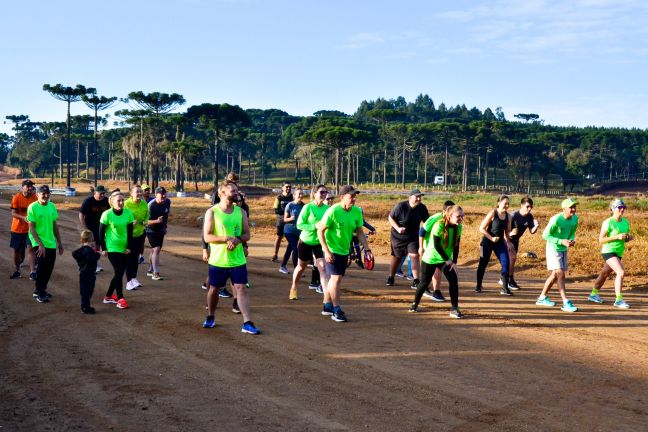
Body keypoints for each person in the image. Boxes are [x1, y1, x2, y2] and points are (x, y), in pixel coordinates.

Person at [202, 180, 260, 335]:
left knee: (240, 288)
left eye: (236, 190)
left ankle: (247, 322)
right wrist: (226, 238)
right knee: (214, 289)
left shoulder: (241, 212)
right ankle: (210, 316)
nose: (237, 193)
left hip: (237, 259)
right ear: (222, 193)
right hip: (218, 260)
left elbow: (247, 234)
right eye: (233, 191)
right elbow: (207, 237)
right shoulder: (212, 212)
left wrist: (238, 239)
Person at [318, 185, 373, 322]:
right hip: (332, 250)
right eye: (351, 196)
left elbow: (359, 231)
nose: (354, 199)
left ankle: (327, 305)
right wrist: (326, 251)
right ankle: (336, 309)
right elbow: (320, 231)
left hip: (344, 250)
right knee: (336, 279)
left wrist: (367, 249)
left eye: (355, 196)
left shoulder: (356, 212)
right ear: (342, 197)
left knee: (334, 279)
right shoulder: (333, 211)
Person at [409, 205, 465, 318]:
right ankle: (415, 303)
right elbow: (437, 246)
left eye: (462, 216)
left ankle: (454, 308)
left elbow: (456, 246)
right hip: (432, 257)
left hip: (446, 259)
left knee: (453, 280)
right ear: (450, 216)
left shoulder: (458, 227)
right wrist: (448, 260)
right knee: (425, 282)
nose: (461, 219)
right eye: (458, 216)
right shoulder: (439, 224)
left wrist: (454, 262)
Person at [535, 197, 579, 312]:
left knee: (555, 275)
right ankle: (565, 302)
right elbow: (545, 235)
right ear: (564, 209)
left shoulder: (575, 218)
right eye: (571, 207)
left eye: (574, 207)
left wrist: (571, 240)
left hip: (563, 248)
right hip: (553, 248)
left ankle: (542, 297)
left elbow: (572, 232)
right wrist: (561, 241)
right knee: (560, 273)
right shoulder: (556, 219)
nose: (573, 209)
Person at [589, 199, 632, 309]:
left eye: (623, 207)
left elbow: (624, 238)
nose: (622, 209)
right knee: (621, 272)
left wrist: (628, 238)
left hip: (618, 252)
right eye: (619, 207)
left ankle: (593, 294)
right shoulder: (608, 222)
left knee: (604, 274)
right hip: (608, 251)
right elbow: (601, 240)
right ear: (612, 210)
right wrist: (616, 237)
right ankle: (618, 300)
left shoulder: (625, 222)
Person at [290, 184, 330, 301]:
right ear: (315, 193)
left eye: (325, 192)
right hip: (306, 241)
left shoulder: (327, 209)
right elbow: (299, 225)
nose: (324, 194)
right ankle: (294, 287)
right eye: (321, 192)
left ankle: (326, 297)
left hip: (319, 242)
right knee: (301, 267)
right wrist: (314, 226)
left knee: (322, 268)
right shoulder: (308, 207)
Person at [27, 185, 64, 303]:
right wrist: (40, 244)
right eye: (43, 193)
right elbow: (31, 228)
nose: (46, 195)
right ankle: (40, 291)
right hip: (38, 241)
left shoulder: (52, 206)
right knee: (42, 267)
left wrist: (60, 242)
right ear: (37, 194)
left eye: (48, 193)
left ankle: (40, 289)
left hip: (50, 242)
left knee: (49, 267)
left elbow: (54, 225)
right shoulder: (33, 207)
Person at [386, 189, 429, 288]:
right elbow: (390, 217)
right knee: (397, 257)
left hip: (413, 236)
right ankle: (391, 277)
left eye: (420, 197)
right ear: (410, 197)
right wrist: (398, 228)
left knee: (414, 256)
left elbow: (427, 222)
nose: (419, 199)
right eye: (416, 197)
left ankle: (416, 280)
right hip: (398, 236)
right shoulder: (401, 206)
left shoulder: (422, 208)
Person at [99, 191, 134, 309]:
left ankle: (108, 296)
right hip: (111, 247)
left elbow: (130, 232)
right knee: (119, 271)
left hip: (124, 248)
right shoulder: (107, 214)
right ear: (112, 202)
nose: (121, 202)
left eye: (122, 200)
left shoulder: (128, 213)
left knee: (119, 272)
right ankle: (120, 299)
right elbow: (101, 232)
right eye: (118, 200)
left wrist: (129, 247)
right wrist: (103, 248)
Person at [475, 195, 515, 296]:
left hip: (500, 243)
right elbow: (481, 228)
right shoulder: (493, 213)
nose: (507, 205)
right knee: (483, 264)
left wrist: (511, 234)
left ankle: (505, 288)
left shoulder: (509, 217)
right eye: (505, 203)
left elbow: (507, 232)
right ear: (499, 203)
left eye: (508, 203)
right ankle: (478, 285)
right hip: (487, 242)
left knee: (505, 263)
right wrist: (491, 238)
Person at [417, 200, 455, 301]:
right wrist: (421, 247)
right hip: (430, 246)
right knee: (436, 268)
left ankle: (433, 290)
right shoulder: (436, 218)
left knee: (438, 268)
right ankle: (433, 290)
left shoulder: (453, 222)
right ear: (446, 211)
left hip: (441, 247)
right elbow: (422, 231)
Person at [506, 196, 540, 290]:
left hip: (516, 240)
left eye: (531, 207)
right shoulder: (513, 216)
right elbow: (504, 230)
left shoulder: (530, 217)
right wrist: (508, 241)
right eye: (527, 206)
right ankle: (510, 281)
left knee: (510, 261)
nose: (529, 209)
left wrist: (536, 226)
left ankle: (504, 277)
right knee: (512, 259)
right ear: (521, 205)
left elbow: (532, 231)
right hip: (507, 239)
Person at [9, 179, 37, 280]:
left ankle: (32, 272)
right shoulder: (17, 197)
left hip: (30, 229)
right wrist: (23, 218)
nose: (30, 188)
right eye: (28, 186)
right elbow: (13, 213)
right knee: (17, 251)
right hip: (17, 229)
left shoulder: (35, 198)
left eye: (31, 186)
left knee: (31, 249)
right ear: (23, 187)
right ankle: (17, 270)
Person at [79, 185, 110, 273]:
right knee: (90, 246)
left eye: (103, 193)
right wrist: (85, 228)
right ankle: (87, 264)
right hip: (90, 227)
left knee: (97, 246)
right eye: (100, 193)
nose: (102, 195)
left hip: (101, 227)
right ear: (94, 193)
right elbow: (81, 215)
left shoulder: (106, 201)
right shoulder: (88, 201)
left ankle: (94, 264)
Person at [124, 184, 149, 290]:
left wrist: (145, 222)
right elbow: (120, 219)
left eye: (140, 191)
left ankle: (134, 278)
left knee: (136, 258)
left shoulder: (144, 203)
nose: (139, 193)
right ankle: (129, 281)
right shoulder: (126, 204)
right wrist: (129, 223)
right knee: (129, 258)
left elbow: (147, 215)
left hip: (140, 234)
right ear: (131, 194)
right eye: (137, 192)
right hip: (129, 235)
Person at [72, 230, 101, 314]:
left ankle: (85, 305)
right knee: (88, 290)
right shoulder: (88, 250)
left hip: (83, 272)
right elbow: (90, 259)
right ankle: (85, 307)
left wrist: (80, 261)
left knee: (85, 290)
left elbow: (74, 253)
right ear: (90, 239)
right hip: (89, 273)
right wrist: (98, 254)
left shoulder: (81, 249)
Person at [146, 186, 170, 280]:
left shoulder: (167, 202)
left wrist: (165, 226)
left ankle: (150, 269)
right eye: (161, 194)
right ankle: (155, 272)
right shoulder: (151, 205)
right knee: (156, 249)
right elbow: (146, 222)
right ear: (156, 195)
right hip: (150, 229)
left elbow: (166, 215)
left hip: (160, 229)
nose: (163, 196)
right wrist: (157, 221)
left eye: (165, 194)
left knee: (155, 250)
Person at [279, 188, 304, 274]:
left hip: (298, 232)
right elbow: (285, 219)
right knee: (296, 249)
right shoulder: (290, 205)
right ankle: (296, 269)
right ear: (294, 195)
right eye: (299, 194)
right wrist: (290, 218)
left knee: (290, 248)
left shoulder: (303, 206)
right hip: (289, 231)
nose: (301, 195)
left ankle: (282, 266)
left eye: (302, 194)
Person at [271, 182, 293, 262]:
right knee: (279, 237)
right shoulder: (279, 198)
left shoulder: (292, 197)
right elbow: (276, 210)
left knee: (292, 238)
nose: (288, 188)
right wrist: (287, 211)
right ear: (282, 188)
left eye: (289, 187)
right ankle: (275, 254)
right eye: (287, 187)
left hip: (290, 221)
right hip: (281, 221)